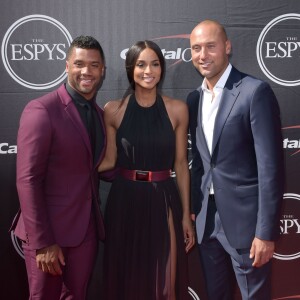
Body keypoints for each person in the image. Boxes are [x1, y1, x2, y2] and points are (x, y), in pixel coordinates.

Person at [187, 20, 284, 300]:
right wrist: (195, 207)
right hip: (207, 221)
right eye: (196, 48)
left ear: (227, 47)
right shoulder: (193, 99)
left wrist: (265, 233)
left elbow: (270, 168)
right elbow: (200, 161)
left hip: (246, 223)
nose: (202, 55)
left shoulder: (254, 92)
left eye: (210, 46)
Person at [10, 35, 107, 300]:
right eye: (79, 64)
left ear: (103, 70)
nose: (86, 71)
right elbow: (27, 180)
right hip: (49, 234)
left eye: (94, 65)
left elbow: (97, 168)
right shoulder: (42, 109)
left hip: (85, 233)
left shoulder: (99, 114)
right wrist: (43, 242)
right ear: (66, 66)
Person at [98, 40, 195, 299]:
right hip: (124, 201)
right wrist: (71, 167)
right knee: (126, 278)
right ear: (131, 68)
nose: (148, 71)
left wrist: (186, 215)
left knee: (167, 280)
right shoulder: (113, 110)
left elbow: (181, 166)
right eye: (141, 64)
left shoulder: (177, 110)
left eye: (154, 64)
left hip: (163, 198)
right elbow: (108, 161)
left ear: (162, 68)